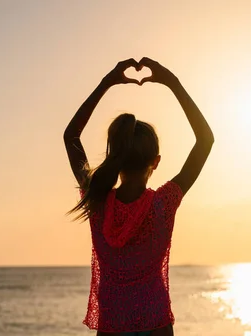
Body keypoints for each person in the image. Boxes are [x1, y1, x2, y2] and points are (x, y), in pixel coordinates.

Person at [64, 58, 214, 336]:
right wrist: (172, 82)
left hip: (111, 326)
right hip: (156, 324)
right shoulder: (162, 204)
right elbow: (205, 140)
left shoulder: (97, 202)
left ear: (115, 159)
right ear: (155, 162)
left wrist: (106, 83)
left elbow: (71, 136)